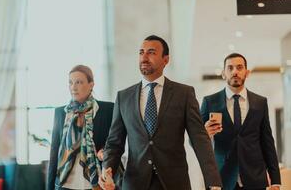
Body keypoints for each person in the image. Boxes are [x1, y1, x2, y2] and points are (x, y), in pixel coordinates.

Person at [99, 35, 222, 190]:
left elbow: (200, 139)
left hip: (174, 183)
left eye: (151, 52)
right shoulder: (123, 97)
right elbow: (115, 142)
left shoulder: (184, 94)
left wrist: (213, 181)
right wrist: (107, 168)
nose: (144, 57)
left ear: (166, 59)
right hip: (135, 183)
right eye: (141, 52)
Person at [200, 53, 281, 190]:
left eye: (239, 67)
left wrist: (275, 180)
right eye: (230, 68)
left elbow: (267, 142)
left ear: (247, 72)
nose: (235, 72)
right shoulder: (210, 102)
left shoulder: (260, 102)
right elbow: (194, 140)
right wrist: (205, 134)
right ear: (223, 73)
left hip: (255, 178)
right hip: (221, 179)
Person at [47, 65, 117, 190]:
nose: (73, 87)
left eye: (78, 82)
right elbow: (54, 154)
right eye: (70, 82)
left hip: (96, 184)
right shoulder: (61, 113)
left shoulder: (108, 110)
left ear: (91, 85)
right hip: (65, 183)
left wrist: (105, 151)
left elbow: (115, 142)